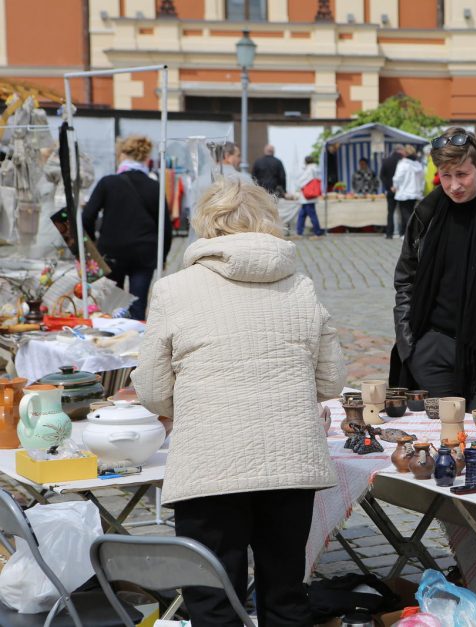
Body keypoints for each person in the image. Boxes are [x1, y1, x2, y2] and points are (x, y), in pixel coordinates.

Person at [133, 177, 345, 627]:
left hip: (210, 461)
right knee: (286, 596)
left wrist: (194, 400)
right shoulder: (300, 286)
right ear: (269, 222)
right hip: (290, 461)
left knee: (212, 601)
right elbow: (331, 380)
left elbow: (151, 390)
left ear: (206, 225)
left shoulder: (174, 289)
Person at [391, 127, 476, 417]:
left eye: (462, 174)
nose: (454, 186)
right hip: (431, 349)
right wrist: (410, 345)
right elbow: (405, 280)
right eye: (446, 175)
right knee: (439, 441)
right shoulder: (425, 214)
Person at [82, 134, 171, 320]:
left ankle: (112, 343)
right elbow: (165, 227)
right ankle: (136, 344)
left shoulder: (108, 182)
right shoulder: (155, 186)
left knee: (112, 307)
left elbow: (87, 217)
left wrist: (93, 247)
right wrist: (162, 256)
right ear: (145, 158)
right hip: (144, 253)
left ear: (122, 155)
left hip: (112, 252)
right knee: (138, 309)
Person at [391, 145, 425, 237]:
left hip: (404, 192)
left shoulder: (403, 164)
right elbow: (422, 179)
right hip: (414, 193)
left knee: (405, 214)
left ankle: (409, 234)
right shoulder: (418, 165)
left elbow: (398, 177)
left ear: (405, 153)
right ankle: (407, 233)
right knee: (410, 213)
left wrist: (395, 186)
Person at [296, 154, 326, 238]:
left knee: (311, 215)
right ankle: (299, 232)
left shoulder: (309, 169)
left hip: (307, 197)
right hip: (310, 197)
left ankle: (317, 232)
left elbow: (302, 181)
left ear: (305, 161)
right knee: (303, 214)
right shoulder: (315, 169)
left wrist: (298, 184)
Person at [380, 144, 406, 239]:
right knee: (403, 212)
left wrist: (388, 187)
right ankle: (402, 233)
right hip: (402, 190)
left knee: (390, 212)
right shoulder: (404, 161)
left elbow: (382, 176)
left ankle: (389, 233)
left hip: (390, 190)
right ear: (399, 151)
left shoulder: (386, 161)